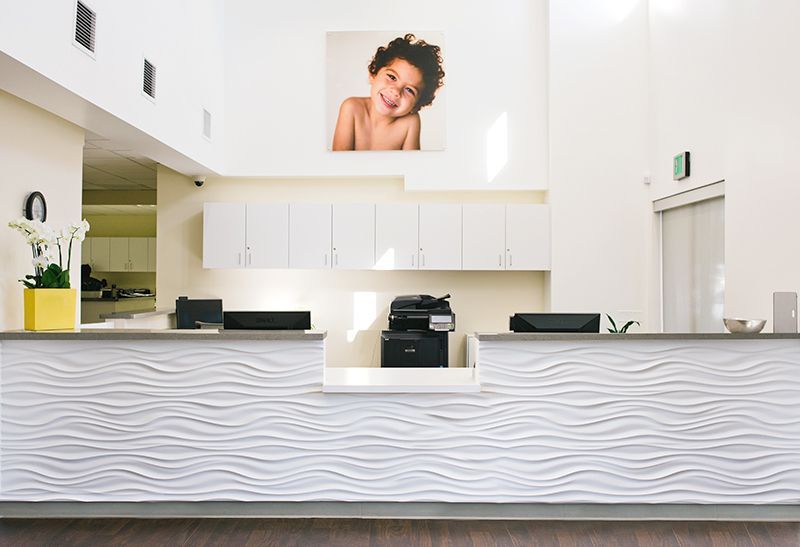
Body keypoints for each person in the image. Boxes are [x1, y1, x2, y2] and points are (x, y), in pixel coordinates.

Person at [332, 34, 444, 151]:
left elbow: (411, 166)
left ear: (416, 105)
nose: (396, 91)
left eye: (409, 90)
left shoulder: (410, 122)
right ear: (373, 73)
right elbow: (340, 163)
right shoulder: (352, 107)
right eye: (392, 77)